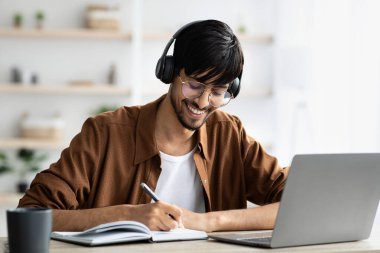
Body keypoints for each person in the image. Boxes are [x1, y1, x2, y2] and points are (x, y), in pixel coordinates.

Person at [18, 20, 288, 232]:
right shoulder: (105, 133)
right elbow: (30, 215)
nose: (204, 102)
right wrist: (126, 216)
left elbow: (295, 203)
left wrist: (207, 222)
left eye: (218, 91)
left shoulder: (229, 134)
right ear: (169, 71)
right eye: (194, 85)